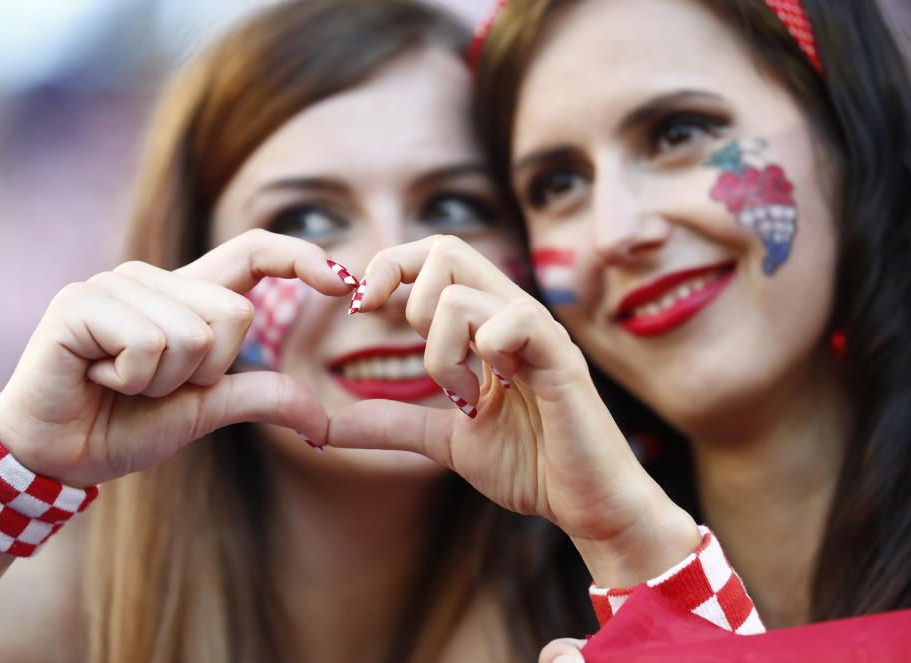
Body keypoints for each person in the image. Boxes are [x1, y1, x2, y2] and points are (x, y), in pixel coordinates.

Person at [0, 1, 622, 661]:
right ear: (186, 268)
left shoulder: (630, 586)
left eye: (454, 203)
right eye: (306, 218)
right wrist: (9, 464)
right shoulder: (30, 625)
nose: (388, 279)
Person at [323, 0, 910, 658]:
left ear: (846, 130)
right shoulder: (518, 610)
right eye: (558, 183)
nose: (616, 231)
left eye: (677, 132)